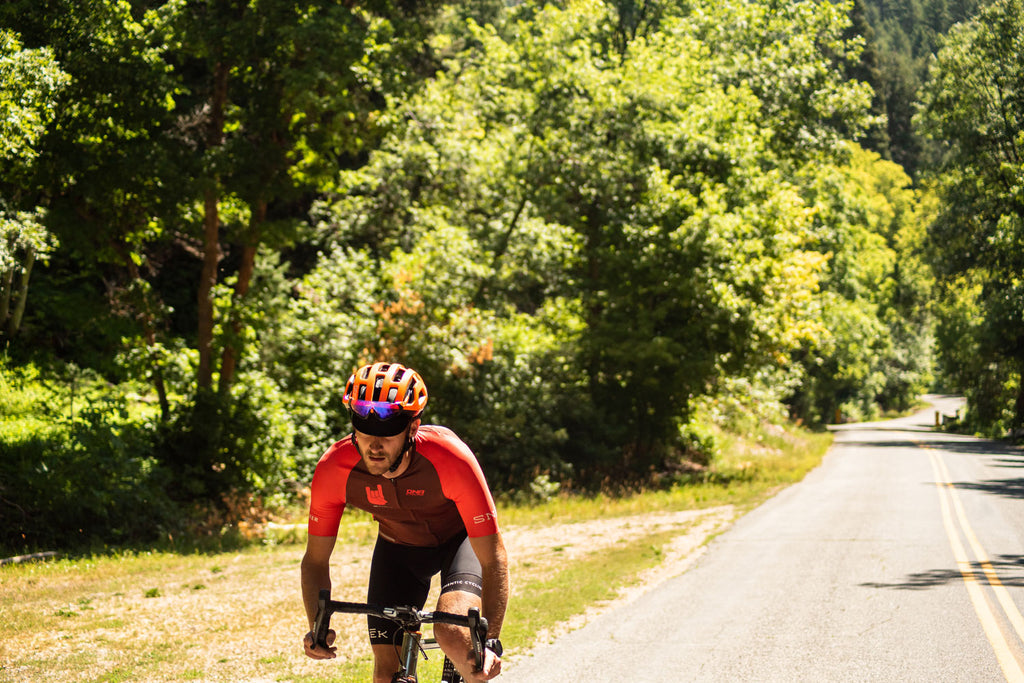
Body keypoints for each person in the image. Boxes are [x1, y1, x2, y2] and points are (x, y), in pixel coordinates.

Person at [301, 361, 509, 682]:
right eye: (365, 432)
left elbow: (494, 558)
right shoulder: (335, 468)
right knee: (386, 673)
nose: (374, 445)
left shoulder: (450, 459)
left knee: (453, 633)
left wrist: (490, 641)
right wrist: (317, 626)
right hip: (398, 551)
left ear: (413, 428)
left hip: (459, 543)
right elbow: (315, 560)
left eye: (386, 434)